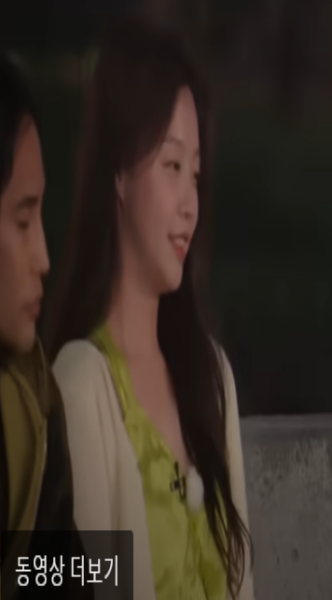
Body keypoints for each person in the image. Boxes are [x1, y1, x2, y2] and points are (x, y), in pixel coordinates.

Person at [44, 19, 254, 600]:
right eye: (171, 166)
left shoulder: (211, 377)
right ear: (117, 171)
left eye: (196, 174)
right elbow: (69, 575)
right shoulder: (81, 385)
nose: (190, 204)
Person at [0, 56, 92, 600]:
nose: (44, 257)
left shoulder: (31, 399)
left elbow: (68, 569)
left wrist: (127, 568)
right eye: (21, 219)